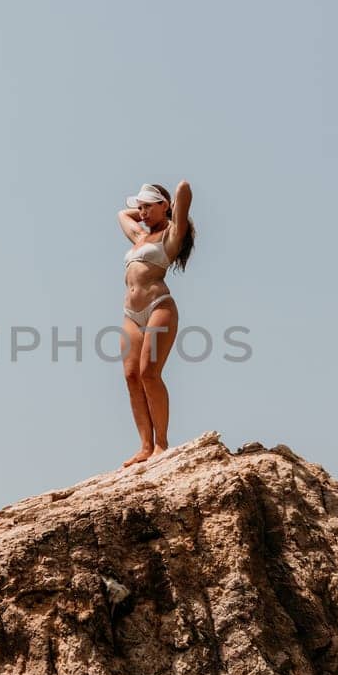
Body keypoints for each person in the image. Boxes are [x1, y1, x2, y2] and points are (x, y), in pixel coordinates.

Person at [116, 181, 195, 468]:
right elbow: (121, 215)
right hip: (131, 313)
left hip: (158, 306)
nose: (142, 211)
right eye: (140, 206)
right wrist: (144, 211)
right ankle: (145, 446)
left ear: (164, 206)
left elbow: (184, 190)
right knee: (131, 376)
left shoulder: (171, 235)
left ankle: (161, 443)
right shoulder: (139, 237)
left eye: (148, 205)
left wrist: (170, 207)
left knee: (149, 372)